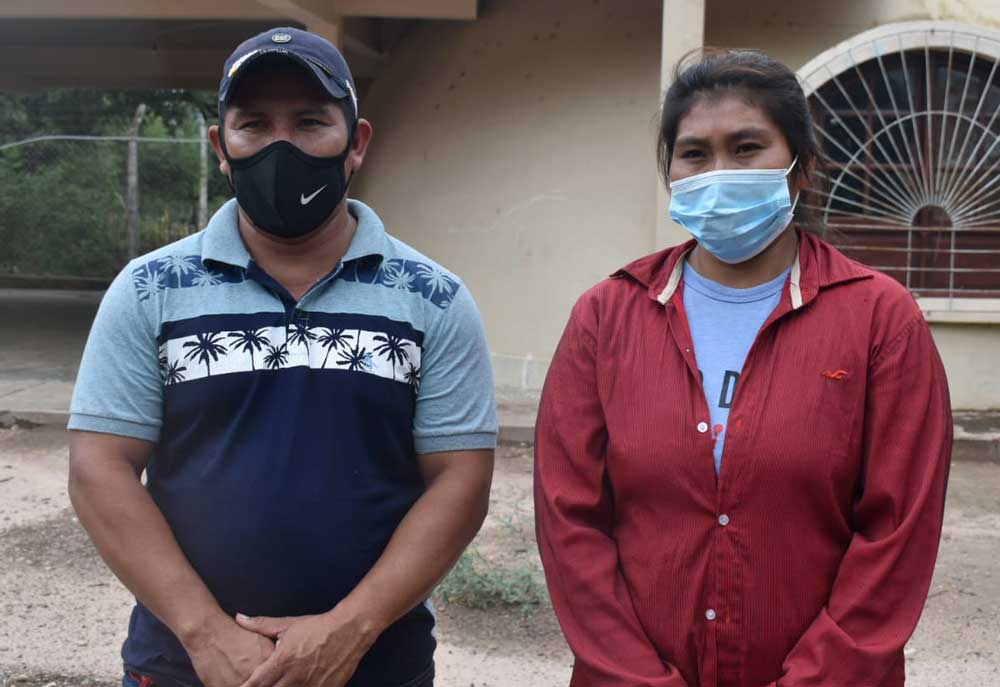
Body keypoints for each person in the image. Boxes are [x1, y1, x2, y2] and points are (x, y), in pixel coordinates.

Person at [68, 27, 497, 687]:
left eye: (309, 122)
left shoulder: (432, 298)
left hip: (377, 665)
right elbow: (100, 468)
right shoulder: (149, 291)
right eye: (254, 124)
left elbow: (460, 481)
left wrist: (350, 628)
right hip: (185, 668)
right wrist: (206, 636)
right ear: (220, 147)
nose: (280, 146)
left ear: (356, 144)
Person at [534, 49, 951, 687]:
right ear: (670, 169)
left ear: (801, 167)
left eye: (748, 146)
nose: (719, 171)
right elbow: (571, 524)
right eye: (695, 153)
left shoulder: (880, 320)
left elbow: (897, 535)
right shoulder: (606, 318)